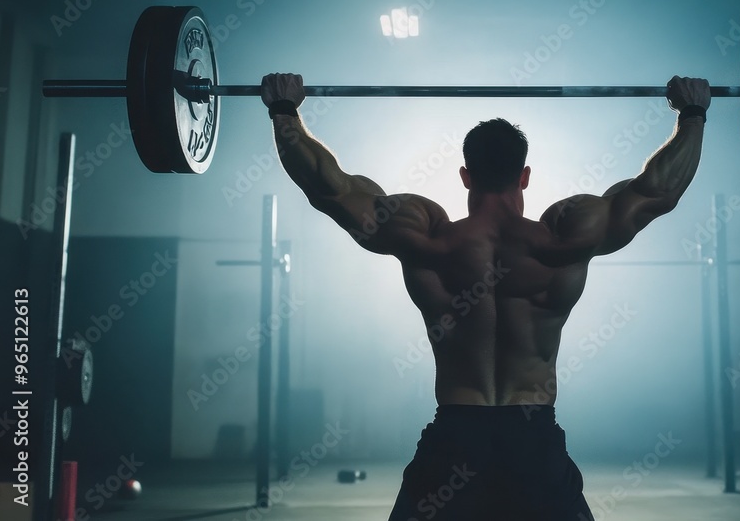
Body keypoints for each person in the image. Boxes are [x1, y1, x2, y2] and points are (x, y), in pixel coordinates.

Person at [261, 74, 710, 521]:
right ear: (526, 175)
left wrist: (285, 112)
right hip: (534, 439)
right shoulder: (565, 236)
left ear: (464, 174)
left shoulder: (426, 236)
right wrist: (691, 114)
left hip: (456, 434)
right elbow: (659, 191)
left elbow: (330, 190)